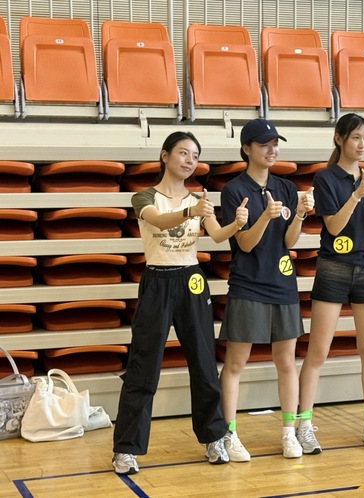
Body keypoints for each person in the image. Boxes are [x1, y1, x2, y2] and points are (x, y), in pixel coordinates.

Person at [112, 131, 248, 475]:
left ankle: (214, 437)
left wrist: (237, 223)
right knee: (144, 366)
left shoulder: (198, 200)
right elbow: (159, 221)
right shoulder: (145, 197)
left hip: (192, 279)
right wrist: (191, 210)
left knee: (204, 363)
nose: (190, 161)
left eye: (195, 156)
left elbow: (216, 234)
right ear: (165, 156)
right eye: (184, 153)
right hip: (157, 280)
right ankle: (126, 448)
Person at [296, 113, 364, 453]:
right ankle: (304, 424)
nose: (362, 144)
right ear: (339, 139)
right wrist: (355, 196)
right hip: (334, 266)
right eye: (356, 137)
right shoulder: (325, 178)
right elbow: (334, 227)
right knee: (318, 351)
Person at [219, 118, 314, 461]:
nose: (272, 151)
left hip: (282, 283)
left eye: (275, 144)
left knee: (286, 361)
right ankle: (229, 433)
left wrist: (299, 215)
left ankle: (289, 431)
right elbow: (244, 244)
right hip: (248, 284)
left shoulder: (285, 187)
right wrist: (264, 217)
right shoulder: (233, 190)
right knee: (236, 362)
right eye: (264, 145)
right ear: (246, 149)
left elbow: (289, 241)